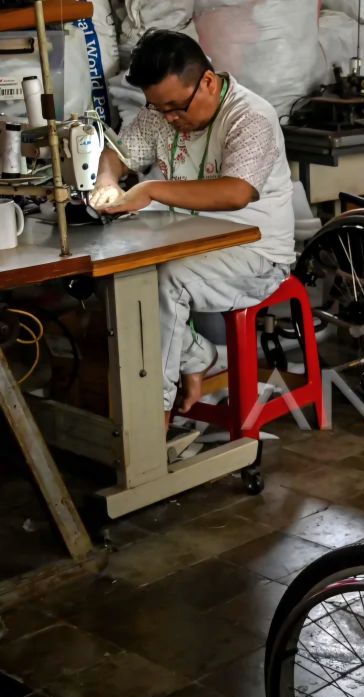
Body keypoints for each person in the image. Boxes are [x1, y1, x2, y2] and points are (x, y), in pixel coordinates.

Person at [91, 30, 296, 429]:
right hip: (187, 241)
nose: (168, 119)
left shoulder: (249, 117)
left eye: (175, 108)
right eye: (158, 108)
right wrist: (107, 181)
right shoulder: (161, 113)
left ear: (207, 81)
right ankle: (197, 356)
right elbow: (117, 153)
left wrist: (149, 189)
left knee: (167, 279)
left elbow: (237, 192)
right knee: (114, 272)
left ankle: (153, 419)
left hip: (257, 253)